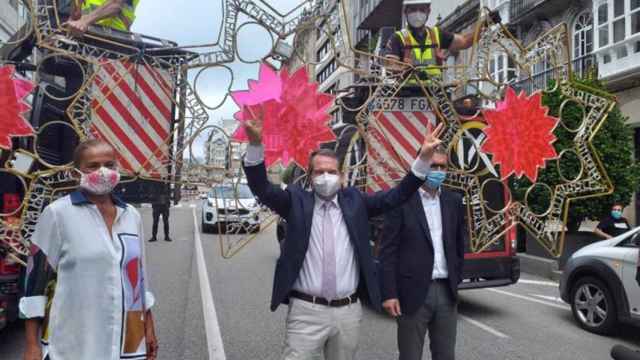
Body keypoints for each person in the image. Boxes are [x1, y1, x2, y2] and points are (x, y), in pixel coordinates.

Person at [242, 115, 444, 360]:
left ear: (341, 176)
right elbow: (262, 188)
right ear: (310, 176)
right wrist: (255, 144)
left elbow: (397, 196)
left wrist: (423, 159)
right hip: (306, 311)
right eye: (319, 172)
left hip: (347, 312)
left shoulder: (355, 202)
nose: (325, 177)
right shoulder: (296, 201)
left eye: (331, 172)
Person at [21, 139, 158, 360]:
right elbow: (35, 283)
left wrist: (148, 328)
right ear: (76, 173)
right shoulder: (57, 214)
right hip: (75, 341)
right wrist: (31, 346)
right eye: (93, 166)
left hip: (124, 340)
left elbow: (138, 280)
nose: (103, 172)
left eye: (110, 165)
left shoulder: (131, 216)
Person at [379, 146, 466, 360]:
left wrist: (456, 279)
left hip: (446, 291)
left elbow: (458, 245)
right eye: (432, 165)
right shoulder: (401, 200)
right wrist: (390, 293)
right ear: (420, 164)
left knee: (446, 354)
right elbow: (388, 250)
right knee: (410, 355)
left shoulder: (453, 201)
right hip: (412, 292)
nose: (437, 170)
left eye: (442, 166)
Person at [383, 0, 500, 85]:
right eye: (413, 10)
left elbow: (465, 41)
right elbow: (390, 66)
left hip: (436, 93)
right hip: (407, 94)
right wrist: (409, 70)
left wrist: (485, 24)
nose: (417, 14)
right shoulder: (398, 38)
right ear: (406, 12)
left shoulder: (436, 35)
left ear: (428, 11)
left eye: (422, 10)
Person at [64, 0, 140, 36]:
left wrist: (84, 21)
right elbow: (76, 15)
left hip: (114, 35)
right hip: (88, 33)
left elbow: (115, 4)